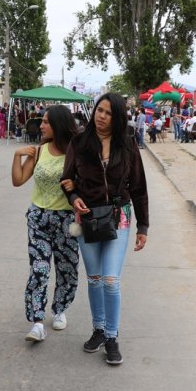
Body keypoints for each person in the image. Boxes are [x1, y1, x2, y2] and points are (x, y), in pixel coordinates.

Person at [60, 92, 149, 366]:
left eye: (109, 113)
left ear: (118, 117)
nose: (102, 116)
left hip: (118, 217)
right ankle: (98, 328)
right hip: (87, 219)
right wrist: (74, 199)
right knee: (95, 278)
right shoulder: (80, 141)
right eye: (100, 110)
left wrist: (143, 225)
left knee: (110, 280)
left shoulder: (128, 145)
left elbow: (139, 187)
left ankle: (112, 335)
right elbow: (67, 179)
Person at [12, 105, 80, 342]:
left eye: (46, 122)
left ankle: (60, 309)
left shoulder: (76, 151)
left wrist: (76, 186)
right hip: (38, 218)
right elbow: (18, 180)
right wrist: (17, 156)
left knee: (67, 269)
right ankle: (37, 322)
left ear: (59, 125)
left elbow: (88, 183)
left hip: (67, 220)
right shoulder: (39, 151)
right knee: (39, 269)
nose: (40, 126)